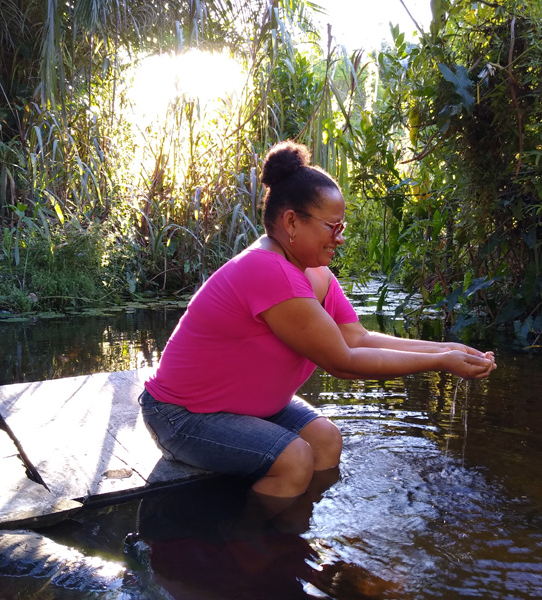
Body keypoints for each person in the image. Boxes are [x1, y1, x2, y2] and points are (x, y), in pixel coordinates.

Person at [140, 140, 496, 504]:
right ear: (292, 221)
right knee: (294, 458)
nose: (339, 238)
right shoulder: (267, 270)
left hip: (246, 407)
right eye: (332, 227)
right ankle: (250, 547)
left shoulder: (315, 273)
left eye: (341, 227)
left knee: (326, 440)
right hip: (181, 415)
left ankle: (298, 530)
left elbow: (356, 337)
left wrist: (447, 348)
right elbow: (343, 361)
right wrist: (440, 362)